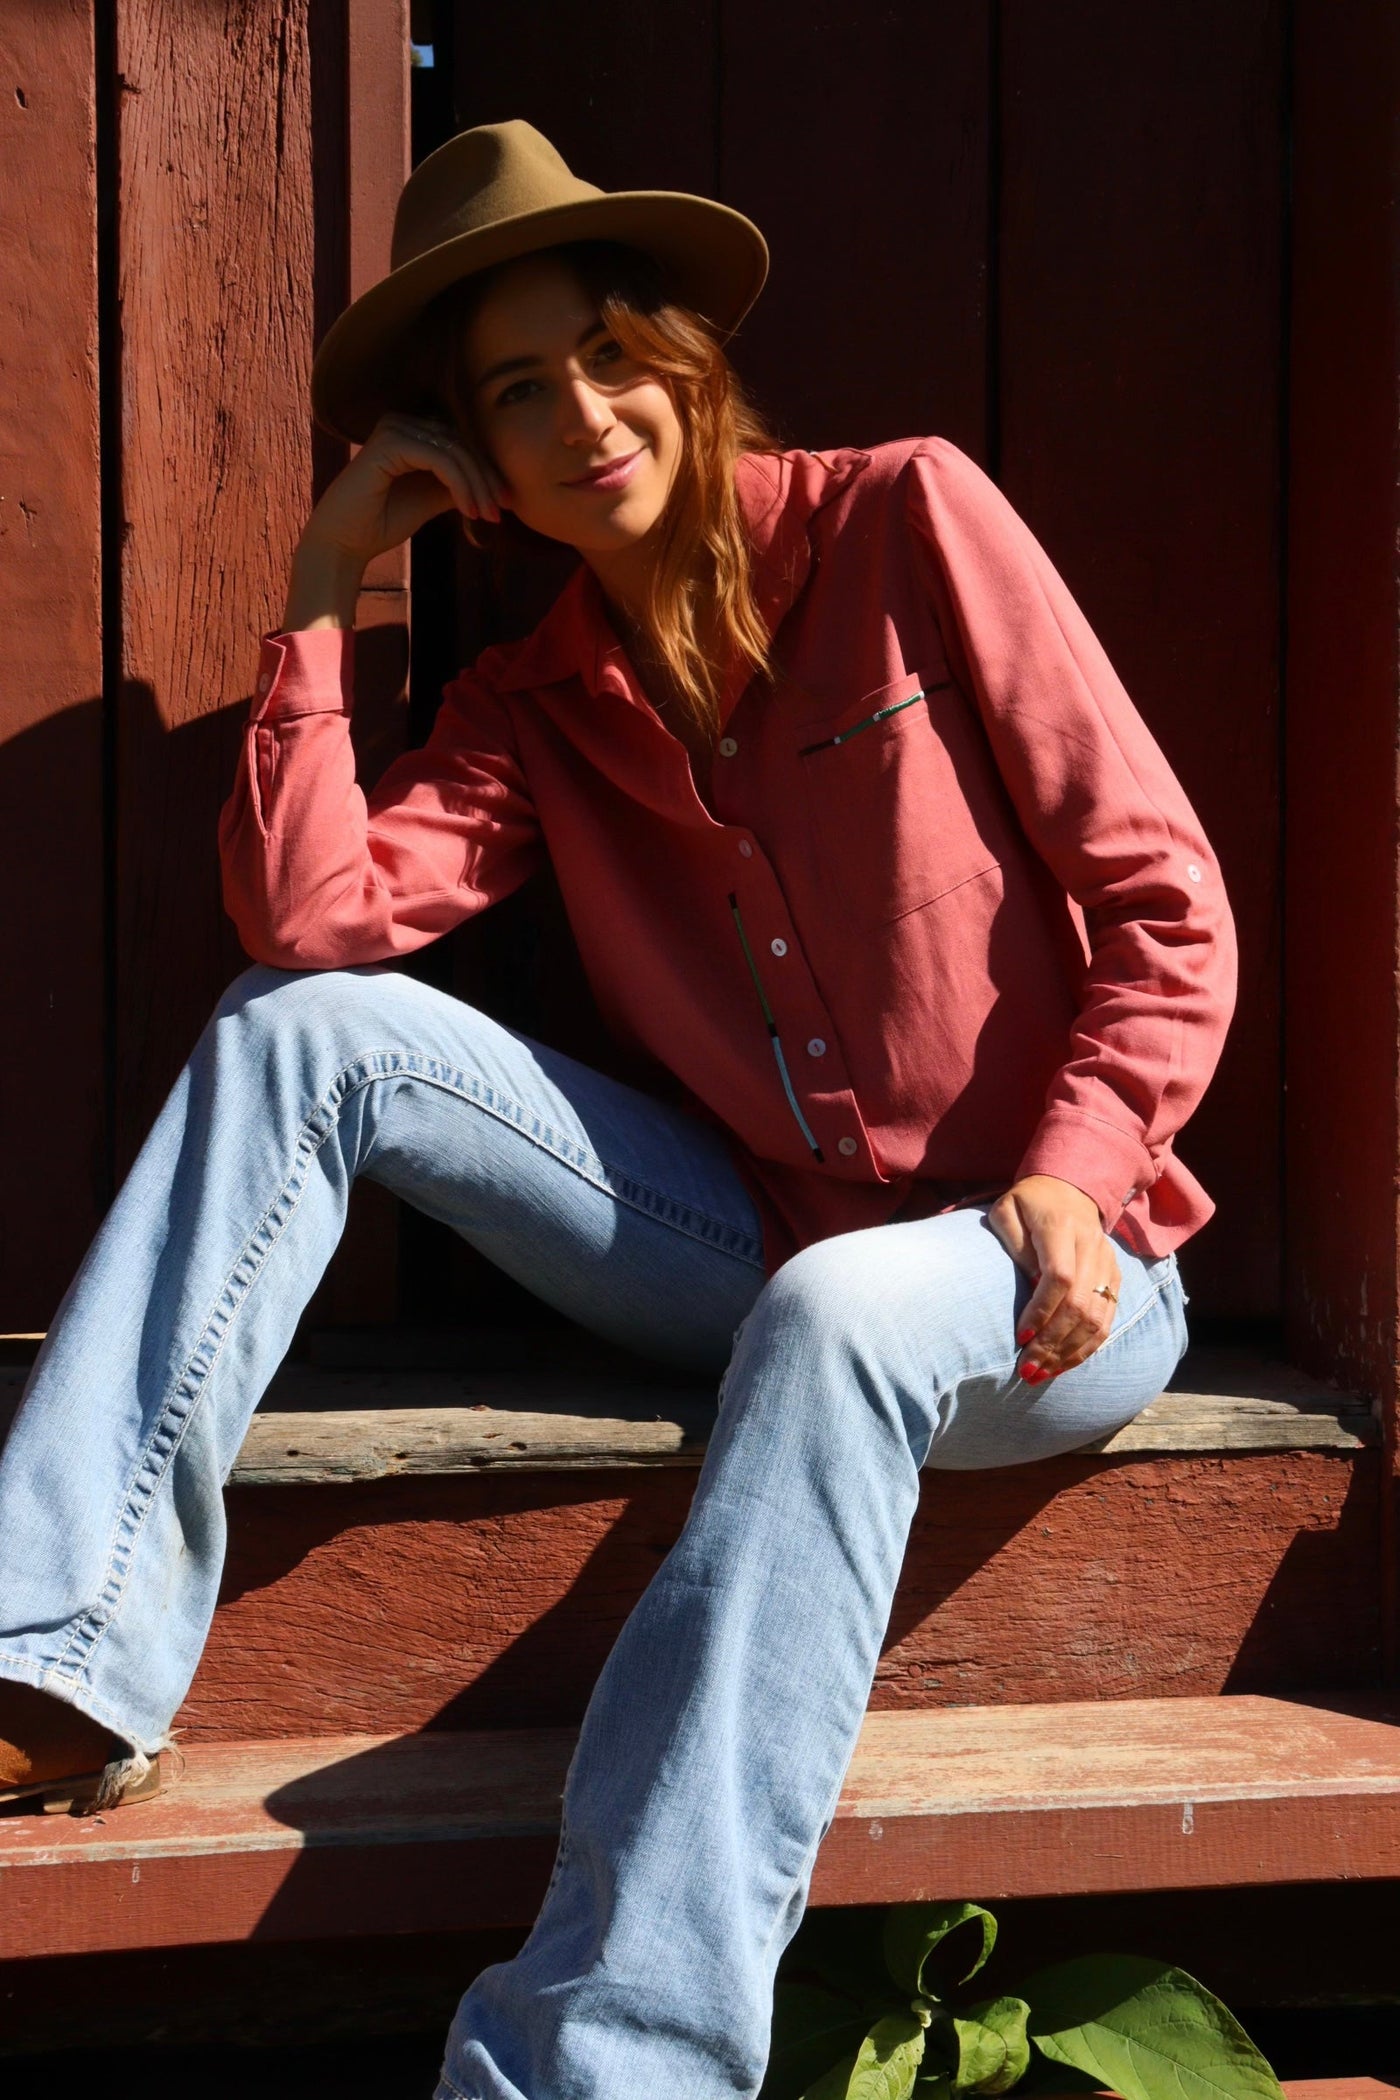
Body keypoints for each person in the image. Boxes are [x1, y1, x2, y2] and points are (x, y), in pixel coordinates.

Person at [0, 120, 1235, 2098]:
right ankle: (54, 1650)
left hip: (1051, 1270)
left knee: (846, 1311)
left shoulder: (908, 520)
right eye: (515, 390)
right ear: (470, 455)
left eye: (605, 354)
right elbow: (314, 919)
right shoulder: (533, 703)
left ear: (683, 356)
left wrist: (1080, 1175)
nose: (582, 414)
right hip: (750, 1237)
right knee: (296, 1029)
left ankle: (611, 2070)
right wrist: (322, 581)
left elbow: (1161, 900)